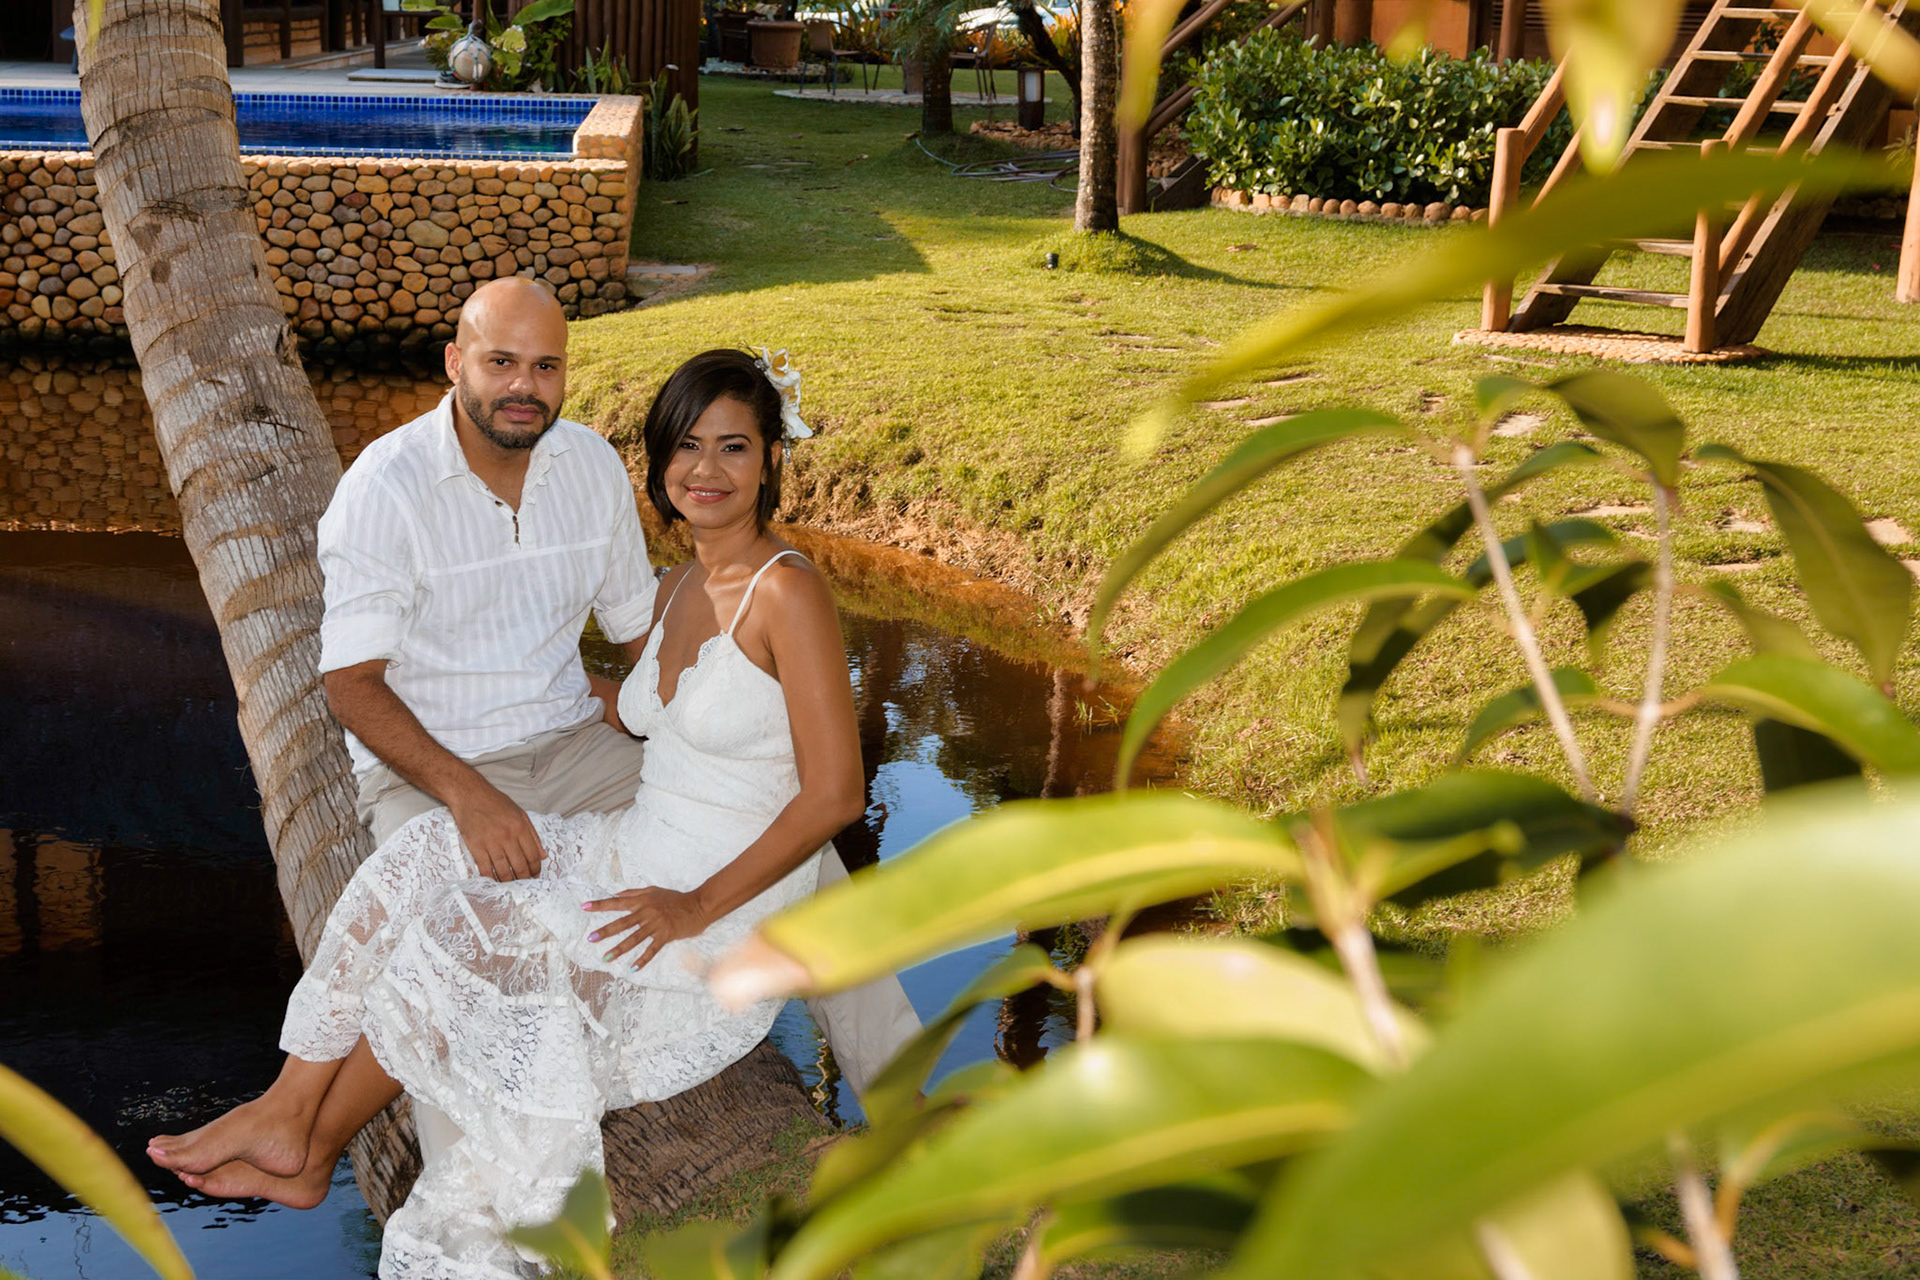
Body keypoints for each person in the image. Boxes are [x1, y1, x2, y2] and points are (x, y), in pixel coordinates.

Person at [147, 346, 873, 1279]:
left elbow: (836, 793)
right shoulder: (679, 586)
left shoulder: (788, 590)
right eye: (686, 446)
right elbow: (645, 708)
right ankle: (292, 1115)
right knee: (422, 853)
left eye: (733, 447)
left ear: (771, 458)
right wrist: (508, 690)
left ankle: (311, 1142)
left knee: (462, 935)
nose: (706, 470)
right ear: (660, 463)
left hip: (709, 909)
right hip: (634, 847)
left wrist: (691, 908)